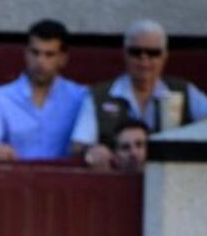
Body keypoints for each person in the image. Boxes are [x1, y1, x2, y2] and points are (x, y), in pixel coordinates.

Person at [74, 19, 207, 169]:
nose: (144, 59)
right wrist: (91, 152)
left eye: (153, 53)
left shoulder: (184, 91)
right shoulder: (99, 95)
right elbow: (79, 145)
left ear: (164, 56)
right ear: (124, 54)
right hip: (117, 181)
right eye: (136, 52)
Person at [0, 20, 87, 160]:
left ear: (63, 59)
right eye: (35, 53)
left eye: (49, 55)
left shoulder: (80, 97)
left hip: (65, 180)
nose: (40, 61)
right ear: (26, 53)